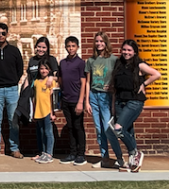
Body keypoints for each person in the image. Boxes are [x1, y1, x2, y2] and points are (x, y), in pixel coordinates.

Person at [110, 39, 160, 172]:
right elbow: (115, 87)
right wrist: (113, 106)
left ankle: (135, 153)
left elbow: (156, 74)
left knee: (118, 129)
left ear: (134, 52)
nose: (126, 52)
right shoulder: (118, 64)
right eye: (124, 50)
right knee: (128, 132)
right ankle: (133, 161)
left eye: (129, 50)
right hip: (120, 101)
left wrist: (144, 84)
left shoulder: (139, 64)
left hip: (134, 101)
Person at [0, 23, 24, 159]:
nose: (0, 35)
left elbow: (20, 68)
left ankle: (14, 148)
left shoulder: (14, 51)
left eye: (3, 33)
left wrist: (13, 81)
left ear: (7, 34)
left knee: (13, 120)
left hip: (12, 89)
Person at [85, 31, 123, 168]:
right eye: (97, 41)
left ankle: (119, 158)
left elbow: (119, 78)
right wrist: (87, 101)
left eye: (101, 41)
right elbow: (88, 82)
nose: (99, 43)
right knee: (98, 129)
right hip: (93, 96)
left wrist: (112, 87)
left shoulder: (113, 60)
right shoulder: (90, 61)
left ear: (106, 43)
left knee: (108, 129)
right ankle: (105, 158)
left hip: (106, 96)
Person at [58, 36, 87, 166]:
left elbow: (83, 82)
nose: (71, 48)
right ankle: (72, 153)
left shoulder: (81, 63)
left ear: (77, 47)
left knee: (78, 127)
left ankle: (81, 154)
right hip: (66, 99)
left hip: (76, 100)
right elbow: (59, 79)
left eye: (73, 46)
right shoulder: (62, 63)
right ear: (65, 47)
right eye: (69, 46)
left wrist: (81, 101)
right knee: (70, 127)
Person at [32, 59, 57, 164]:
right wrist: (33, 112)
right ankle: (43, 152)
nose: (43, 71)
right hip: (38, 111)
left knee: (48, 132)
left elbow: (53, 99)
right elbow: (34, 98)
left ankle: (49, 154)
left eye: (46, 68)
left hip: (47, 111)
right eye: (41, 68)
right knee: (41, 133)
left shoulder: (50, 82)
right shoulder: (36, 82)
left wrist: (52, 113)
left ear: (49, 70)